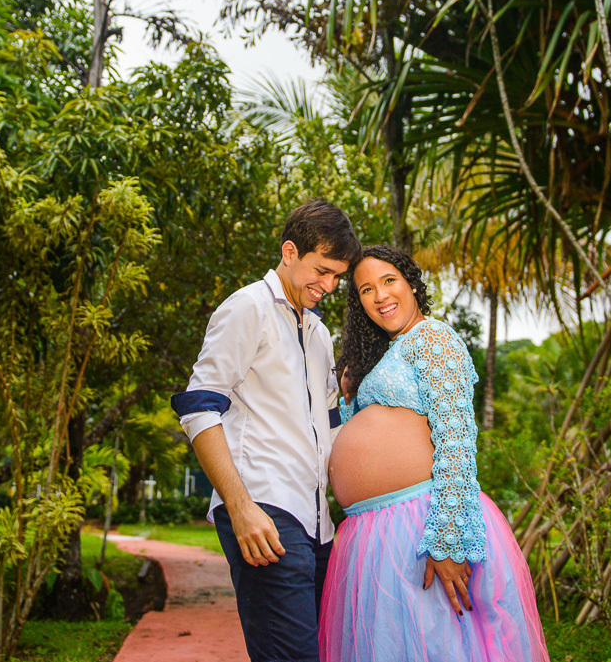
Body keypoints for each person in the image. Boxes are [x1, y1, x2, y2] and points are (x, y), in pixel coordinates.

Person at [320, 244, 549, 662]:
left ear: (411, 284)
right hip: (372, 533)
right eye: (366, 290)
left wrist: (446, 541)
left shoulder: (433, 338)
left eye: (389, 281)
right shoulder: (385, 355)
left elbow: (456, 442)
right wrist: (351, 393)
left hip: (418, 525)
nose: (380, 295)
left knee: (438, 646)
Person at [172, 199, 361, 662]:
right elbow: (199, 409)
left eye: (337, 277)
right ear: (290, 252)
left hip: (317, 523)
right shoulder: (247, 308)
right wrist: (240, 508)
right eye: (322, 271)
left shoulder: (319, 333)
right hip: (264, 509)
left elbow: (330, 426)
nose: (329, 286)